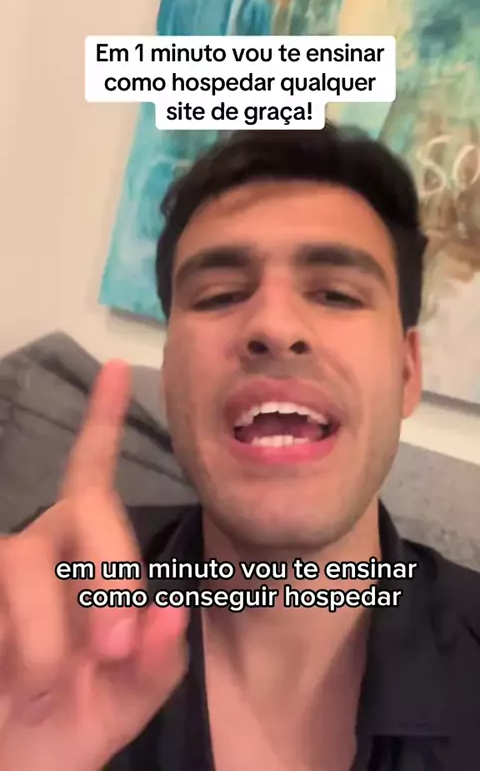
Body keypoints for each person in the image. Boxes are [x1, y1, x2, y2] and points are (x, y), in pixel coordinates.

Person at [0, 125, 479, 771]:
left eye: (337, 294)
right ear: (170, 372)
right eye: (220, 295)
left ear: (406, 371)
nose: (274, 326)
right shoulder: (43, 619)